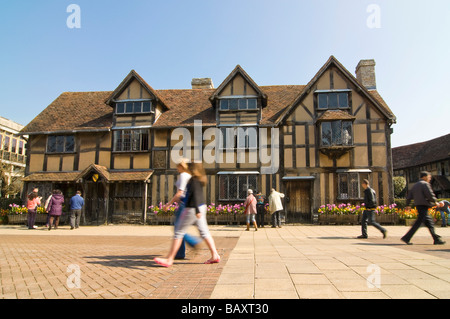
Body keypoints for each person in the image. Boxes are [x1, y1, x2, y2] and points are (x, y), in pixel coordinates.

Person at [154, 162, 220, 267]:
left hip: (191, 208)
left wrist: (196, 210)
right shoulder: (199, 179)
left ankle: (169, 259)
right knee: (204, 232)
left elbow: (194, 196)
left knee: (178, 232)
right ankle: (215, 255)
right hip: (201, 207)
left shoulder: (192, 180)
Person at [163, 159, 201, 259]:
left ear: (181, 166)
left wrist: (168, 204)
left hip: (183, 204)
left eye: (178, 166)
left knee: (177, 228)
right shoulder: (188, 175)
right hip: (186, 204)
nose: (176, 168)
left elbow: (180, 193)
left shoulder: (184, 175)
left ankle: (192, 242)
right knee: (178, 228)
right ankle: (180, 253)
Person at [401, 171, 445, 245]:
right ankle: (406, 237)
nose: (430, 179)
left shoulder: (415, 185)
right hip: (424, 206)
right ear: (424, 177)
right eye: (429, 177)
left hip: (419, 206)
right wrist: (435, 201)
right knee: (419, 224)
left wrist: (407, 205)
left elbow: (409, 196)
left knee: (429, 223)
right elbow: (430, 195)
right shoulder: (425, 184)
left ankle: (436, 239)